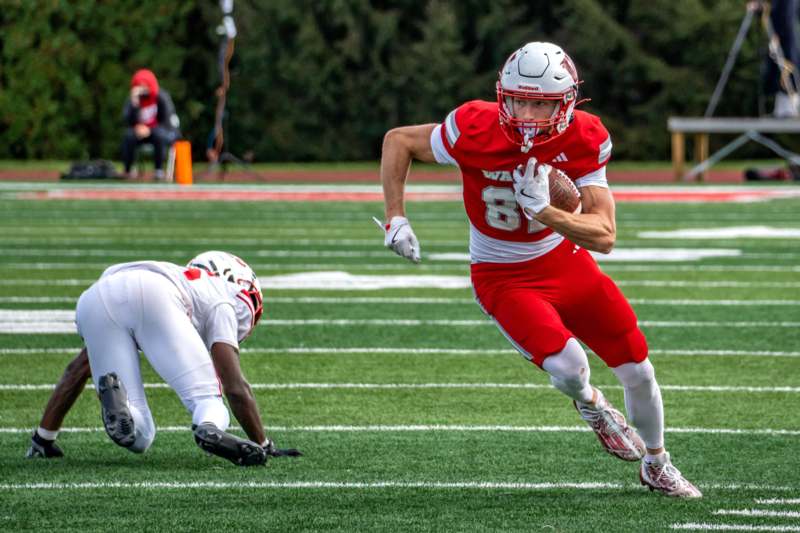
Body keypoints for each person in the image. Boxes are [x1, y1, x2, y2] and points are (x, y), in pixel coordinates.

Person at [376, 42, 701, 497]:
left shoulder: (585, 136)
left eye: (540, 103)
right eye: (517, 99)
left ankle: (657, 461)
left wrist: (548, 213)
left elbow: (604, 235)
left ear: (565, 104)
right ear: (501, 95)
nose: (526, 113)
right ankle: (591, 404)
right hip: (501, 273)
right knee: (570, 368)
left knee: (638, 367)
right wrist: (396, 217)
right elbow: (399, 140)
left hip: (564, 261)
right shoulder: (474, 124)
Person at [26, 251, 301, 466]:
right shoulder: (221, 296)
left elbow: (77, 369)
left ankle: (118, 407)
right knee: (207, 400)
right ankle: (209, 428)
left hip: (94, 298)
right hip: (156, 293)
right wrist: (263, 444)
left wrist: (44, 437)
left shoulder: (181, 275)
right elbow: (235, 387)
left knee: (140, 436)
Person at [121, 69, 181, 180]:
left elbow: (167, 121)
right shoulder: (134, 99)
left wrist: (150, 130)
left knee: (159, 135)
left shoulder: (161, 97)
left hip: (159, 132)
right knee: (129, 136)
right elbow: (127, 120)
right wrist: (134, 101)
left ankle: (158, 170)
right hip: (140, 133)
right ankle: (128, 170)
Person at [763, 0, 799, 117]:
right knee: (777, 66)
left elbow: (786, 16)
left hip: (784, 35)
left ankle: (790, 107)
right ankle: (782, 108)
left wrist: (779, 34)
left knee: (786, 63)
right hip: (780, 31)